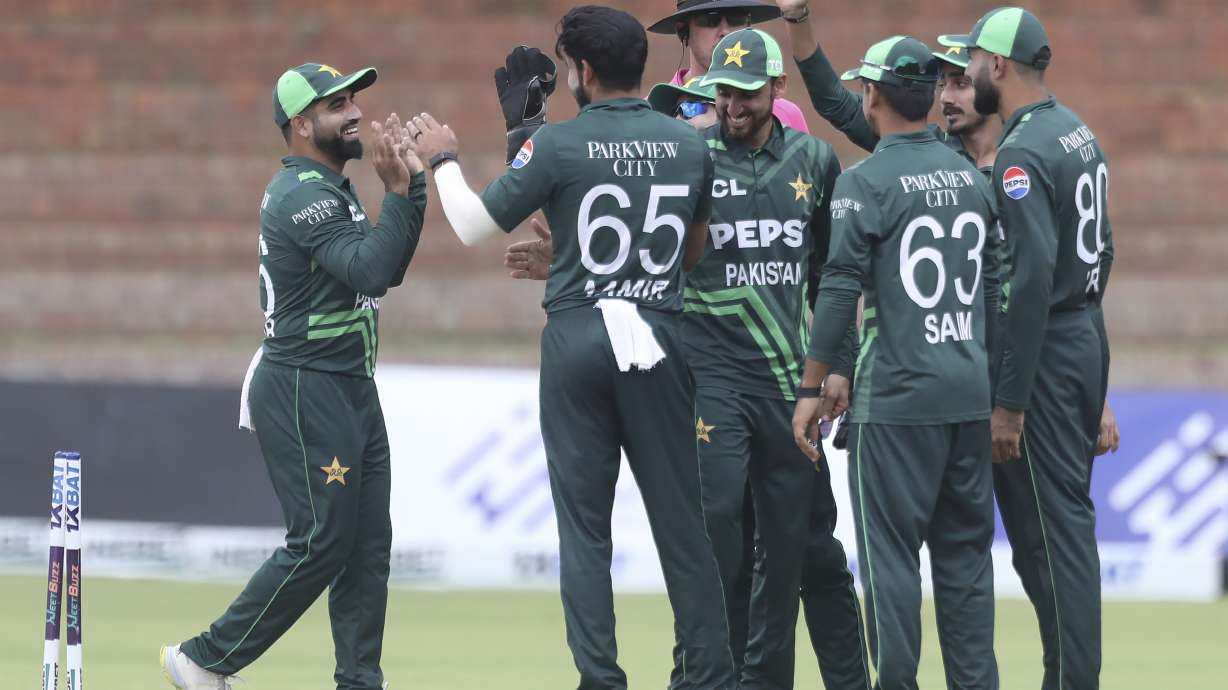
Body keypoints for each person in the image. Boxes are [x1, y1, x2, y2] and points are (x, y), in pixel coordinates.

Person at [407, 7, 736, 689]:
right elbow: (695, 255)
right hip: (659, 339)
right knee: (683, 528)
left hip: (579, 338)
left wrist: (441, 159)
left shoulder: (557, 144)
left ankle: (600, 678)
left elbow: (472, 226)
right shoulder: (690, 144)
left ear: (582, 72)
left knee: (586, 532)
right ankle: (710, 677)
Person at [160, 63, 427, 690]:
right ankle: (203, 659)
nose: (355, 111)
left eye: (355, 98)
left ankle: (359, 682)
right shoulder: (302, 194)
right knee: (321, 540)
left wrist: (410, 186)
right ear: (301, 124)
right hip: (307, 384)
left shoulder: (329, 186)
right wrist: (399, 190)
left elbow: (388, 266)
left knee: (366, 548)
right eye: (337, 105)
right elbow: (371, 272)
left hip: (350, 384)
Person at [775, 0, 1122, 446]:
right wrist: (798, 20)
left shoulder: (1028, 162)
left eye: (960, 83)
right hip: (960, 381)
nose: (946, 97)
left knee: (1038, 510)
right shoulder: (938, 161)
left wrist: (1099, 392)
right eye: (941, 85)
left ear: (991, 76)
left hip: (1028, 372)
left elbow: (1082, 273)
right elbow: (838, 105)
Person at [792, 36, 1002, 690]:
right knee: (967, 568)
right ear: (933, 95)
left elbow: (838, 287)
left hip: (898, 402)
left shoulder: (864, 182)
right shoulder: (970, 177)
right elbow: (995, 289)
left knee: (890, 564)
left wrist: (812, 381)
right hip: (968, 395)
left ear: (874, 95)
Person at [686, 29, 868, 689]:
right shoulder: (691, 154)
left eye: (746, 93)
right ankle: (715, 672)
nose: (732, 105)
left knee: (790, 549)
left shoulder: (816, 161)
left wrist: (837, 368)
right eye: (723, 92)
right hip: (710, 378)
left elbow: (836, 276)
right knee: (717, 521)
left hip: (792, 385)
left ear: (778, 88)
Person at [941, 7, 1114, 688]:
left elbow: (1031, 277)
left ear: (999, 67)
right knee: (1057, 530)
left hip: (1044, 354)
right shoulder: (1075, 130)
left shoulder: (1020, 152)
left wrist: (1010, 403)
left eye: (974, 62)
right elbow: (1105, 252)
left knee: (1053, 538)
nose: (969, 73)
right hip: (1083, 333)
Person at [648, 0, 811, 133]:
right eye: (710, 20)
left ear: (748, 25)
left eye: (736, 18)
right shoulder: (650, 112)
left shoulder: (786, 113)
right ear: (683, 31)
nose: (725, 31)